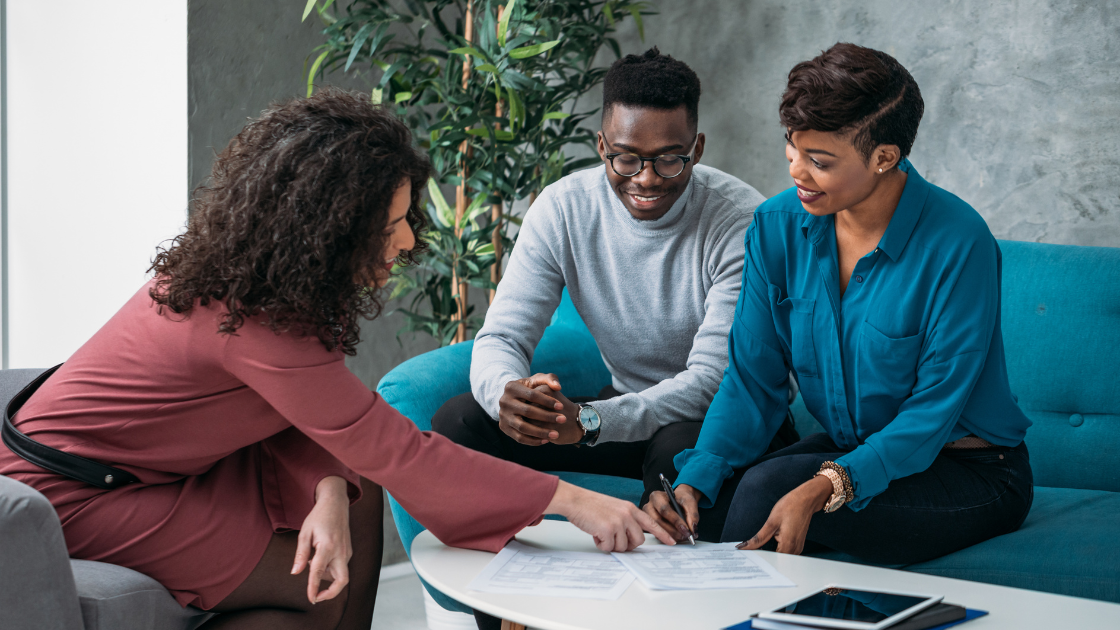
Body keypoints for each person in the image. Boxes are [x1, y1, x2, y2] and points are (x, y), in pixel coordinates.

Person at [0, 88, 673, 630]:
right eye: (391, 226)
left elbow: (314, 421)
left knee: (352, 494)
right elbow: (398, 450)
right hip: (74, 493)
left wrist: (325, 487)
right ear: (328, 232)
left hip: (148, 467)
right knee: (316, 589)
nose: (409, 240)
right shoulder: (254, 324)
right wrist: (571, 500)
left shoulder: (258, 283)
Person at [645, 43, 1034, 564]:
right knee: (686, 485)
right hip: (850, 448)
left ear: (884, 157)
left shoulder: (959, 243)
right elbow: (752, 380)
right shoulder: (777, 226)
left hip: (967, 469)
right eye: (791, 148)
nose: (796, 172)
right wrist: (695, 478)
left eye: (819, 161)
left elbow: (932, 411)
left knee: (767, 490)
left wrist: (827, 484)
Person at [431, 48, 799, 543]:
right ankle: (511, 615)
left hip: (721, 423)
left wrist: (589, 421)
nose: (646, 178)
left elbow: (715, 380)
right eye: (627, 157)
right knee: (458, 424)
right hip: (623, 411)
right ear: (601, 145)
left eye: (670, 159)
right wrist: (506, 396)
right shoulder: (563, 209)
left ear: (698, 147)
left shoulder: (740, 222)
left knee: (678, 458)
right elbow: (502, 334)